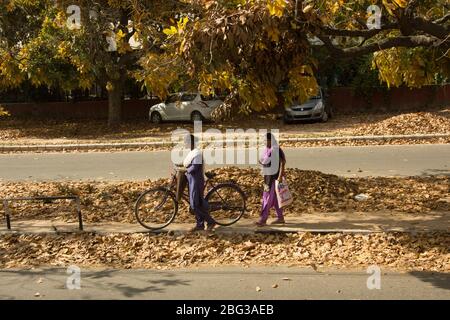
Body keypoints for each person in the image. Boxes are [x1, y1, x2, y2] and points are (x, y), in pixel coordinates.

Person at [182, 134, 216, 231]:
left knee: (194, 205)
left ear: (190, 143)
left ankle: (210, 221)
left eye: (186, 142)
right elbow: (189, 164)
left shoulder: (197, 153)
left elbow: (195, 167)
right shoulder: (192, 152)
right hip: (192, 180)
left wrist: (185, 170)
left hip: (196, 181)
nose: (184, 144)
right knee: (197, 203)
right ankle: (200, 225)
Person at [256, 132, 286, 227]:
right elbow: (263, 161)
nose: (264, 142)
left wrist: (280, 176)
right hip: (267, 178)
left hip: (274, 178)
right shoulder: (267, 149)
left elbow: (283, 162)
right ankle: (280, 217)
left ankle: (263, 219)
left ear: (270, 140)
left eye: (266, 140)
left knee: (267, 199)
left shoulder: (275, 149)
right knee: (276, 199)